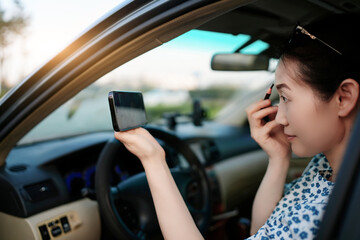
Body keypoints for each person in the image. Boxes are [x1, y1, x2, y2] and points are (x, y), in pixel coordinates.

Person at [114, 13, 360, 239]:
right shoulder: (328, 165)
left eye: (285, 98)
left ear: (344, 98)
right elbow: (261, 231)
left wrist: (154, 160)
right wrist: (278, 158)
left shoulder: (329, 214)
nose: (280, 117)